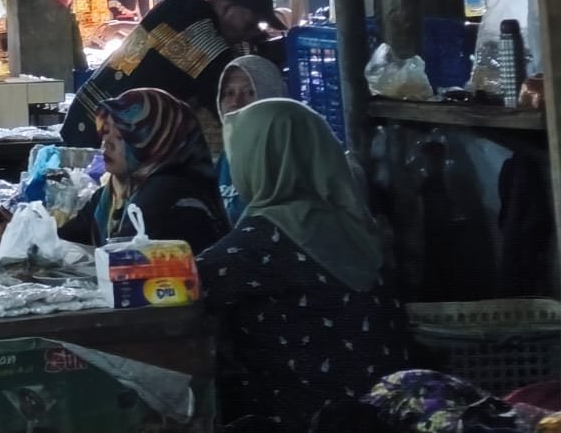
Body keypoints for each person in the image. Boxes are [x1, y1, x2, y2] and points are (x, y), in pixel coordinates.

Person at [199, 99, 412, 430]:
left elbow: (188, 283)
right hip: (380, 412)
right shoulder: (349, 221)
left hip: (305, 417)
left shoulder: (268, 236)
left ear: (260, 159)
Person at [60, 0, 286, 147]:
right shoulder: (197, 32)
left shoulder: (179, 3)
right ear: (226, 7)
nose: (252, 32)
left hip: (99, 119)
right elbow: (223, 86)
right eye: (250, 23)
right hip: (97, 129)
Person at [58, 88, 229, 254]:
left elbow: (125, 264)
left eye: (121, 135)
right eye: (107, 130)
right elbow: (66, 238)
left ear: (158, 139)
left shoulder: (166, 192)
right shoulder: (114, 193)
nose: (107, 142)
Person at [215, 55, 289, 223]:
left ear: (272, 95)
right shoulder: (227, 154)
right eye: (229, 93)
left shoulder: (282, 154)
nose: (236, 102)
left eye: (250, 92)